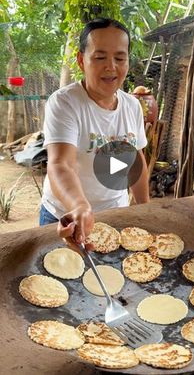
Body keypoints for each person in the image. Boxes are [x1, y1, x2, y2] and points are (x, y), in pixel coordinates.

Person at [40, 18, 149, 252]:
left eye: (120, 58)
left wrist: (145, 211)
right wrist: (80, 206)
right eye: (100, 57)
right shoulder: (64, 103)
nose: (111, 66)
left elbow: (136, 162)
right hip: (66, 216)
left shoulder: (132, 106)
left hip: (115, 214)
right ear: (81, 60)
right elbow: (61, 164)